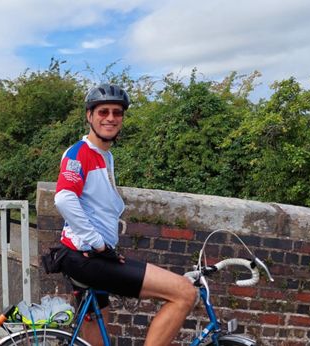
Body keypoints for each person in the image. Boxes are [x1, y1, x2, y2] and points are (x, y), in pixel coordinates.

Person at [54, 83, 196, 345]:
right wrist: (97, 243)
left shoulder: (105, 156)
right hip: (87, 257)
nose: (110, 118)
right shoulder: (80, 153)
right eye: (103, 112)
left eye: (117, 113)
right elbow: (63, 198)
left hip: (90, 256)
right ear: (89, 115)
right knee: (185, 293)